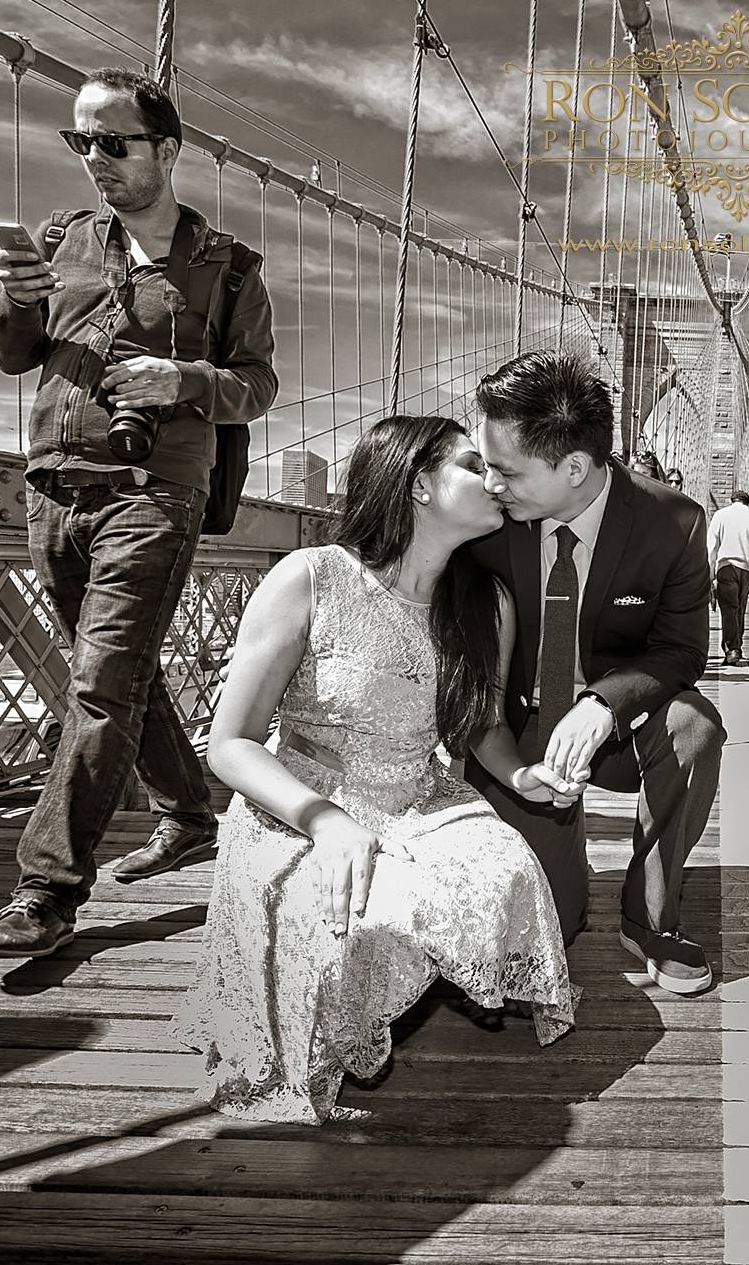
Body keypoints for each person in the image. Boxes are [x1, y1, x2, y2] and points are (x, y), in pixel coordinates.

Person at [174, 416, 580, 1124]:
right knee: (363, 923)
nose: (496, 480)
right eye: (471, 464)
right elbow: (230, 743)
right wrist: (324, 821)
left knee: (506, 871)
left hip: (419, 798)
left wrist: (519, 777)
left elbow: (481, 725)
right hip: (300, 803)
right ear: (419, 483)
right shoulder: (310, 578)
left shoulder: (487, 604)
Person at [0, 68, 278, 958]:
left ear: (166, 150)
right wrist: (15, 299)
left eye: (114, 141)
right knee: (120, 678)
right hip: (53, 486)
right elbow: (9, 354)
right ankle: (187, 813)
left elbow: (256, 385)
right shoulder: (61, 240)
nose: (94, 158)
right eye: (81, 141)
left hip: (154, 494)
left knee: (99, 687)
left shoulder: (229, 269)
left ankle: (47, 890)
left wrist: (183, 380)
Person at [467, 351, 725, 996]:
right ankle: (564, 865)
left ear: (575, 467)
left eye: (504, 470)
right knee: (546, 926)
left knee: (696, 726)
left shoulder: (675, 523)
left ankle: (649, 915)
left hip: (617, 730)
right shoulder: (483, 520)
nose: (489, 483)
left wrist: (603, 703)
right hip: (514, 729)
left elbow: (682, 650)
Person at [705, 488, 749, 665]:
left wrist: (709, 573)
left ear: (732, 501)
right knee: (740, 607)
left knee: (729, 608)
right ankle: (737, 645)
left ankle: (733, 649)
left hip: (726, 566)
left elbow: (712, 547)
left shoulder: (720, 515)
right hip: (748, 569)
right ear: (747, 502)